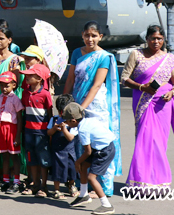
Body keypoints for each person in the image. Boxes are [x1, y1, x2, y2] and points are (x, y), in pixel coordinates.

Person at [121, 25, 174, 193]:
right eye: (153, 38)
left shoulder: (169, 59)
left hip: (163, 104)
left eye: (159, 39)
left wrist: (173, 92)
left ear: (164, 40)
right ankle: (140, 184)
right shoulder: (136, 55)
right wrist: (141, 87)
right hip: (143, 102)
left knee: (159, 144)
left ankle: (159, 184)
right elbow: (124, 78)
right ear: (146, 39)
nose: (156, 42)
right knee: (145, 142)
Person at [63, 20, 121, 197]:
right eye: (87, 35)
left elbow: (96, 85)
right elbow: (71, 79)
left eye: (94, 35)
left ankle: (104, 187)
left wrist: (81, 108)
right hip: (78, 103)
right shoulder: (76, 53)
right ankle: (86, 185)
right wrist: (64, 103)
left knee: (99, 144)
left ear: (100, 37)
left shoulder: (104, 57)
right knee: (83, 143)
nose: (90, 39)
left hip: (95, 106)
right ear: (82, 35)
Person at [64, 102, 117, 214]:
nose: (66, 123)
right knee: (84, 166)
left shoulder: (83, 130)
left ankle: (107, 205)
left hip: (104, 151)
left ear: (73, 120)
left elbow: (87, 152)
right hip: (100, 147)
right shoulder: (87, 120)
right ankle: (84, 195)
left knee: (91, 177)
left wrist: (77, 162)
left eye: (67, 121)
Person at [19, 64, 52, 197]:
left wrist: (50, 131)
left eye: (30, 75)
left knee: (43, 160)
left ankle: (44, 186)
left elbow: (50, 113)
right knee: (31, 158)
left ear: (39, 79)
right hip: (28, 131)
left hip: (41, 132)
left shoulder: (45, 94)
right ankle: (35, 183)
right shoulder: (25, 93)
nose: (26, 77)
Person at [0, 71, 24, 194]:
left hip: (11, 129)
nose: (4, 88)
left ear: (14, 85)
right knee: (4, 156)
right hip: (0, 128)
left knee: (14, 156)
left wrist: (17, 136)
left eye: (7, 85)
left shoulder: (15, 99)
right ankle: (5, 181)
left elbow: (20, 118)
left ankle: (16, 182)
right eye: (2, 85)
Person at [47, 94, 79, 200]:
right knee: (57, 170)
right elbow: (49, 132)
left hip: (69, 151)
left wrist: (64, 129)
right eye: (61, 112)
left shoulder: (73, 122)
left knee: (72, 169)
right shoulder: (55, 119)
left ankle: (71, 185)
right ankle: (57, 189)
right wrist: (55, 128)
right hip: (57, 150)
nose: (62, 115)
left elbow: (70, 138)